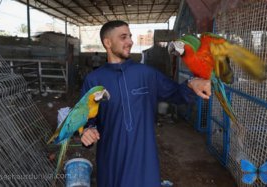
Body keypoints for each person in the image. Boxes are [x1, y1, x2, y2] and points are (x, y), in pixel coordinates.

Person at [80, 20, 211, 187]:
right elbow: (86, 118)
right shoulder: (94, 80)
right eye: (123, 37)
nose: (130, 41)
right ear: (107, 42)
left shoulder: (147, 74)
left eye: (130, 36)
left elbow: (177, 93)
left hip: (144, 161)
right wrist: (87, 131)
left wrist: (192, 84)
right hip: (111, 161)